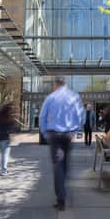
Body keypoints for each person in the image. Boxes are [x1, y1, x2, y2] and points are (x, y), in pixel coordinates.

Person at [39, 77, 84, 211]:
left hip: (55, 136)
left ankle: (61, 198)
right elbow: (81, 116)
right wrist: (75, 130)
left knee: (58, 165)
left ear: (56, 85)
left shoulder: (51, 97)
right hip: (67, 136)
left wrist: (45, 134)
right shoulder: (74, 96)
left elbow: (42, 117)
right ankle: (62, 189)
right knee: (65, 164)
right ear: (65, 84)